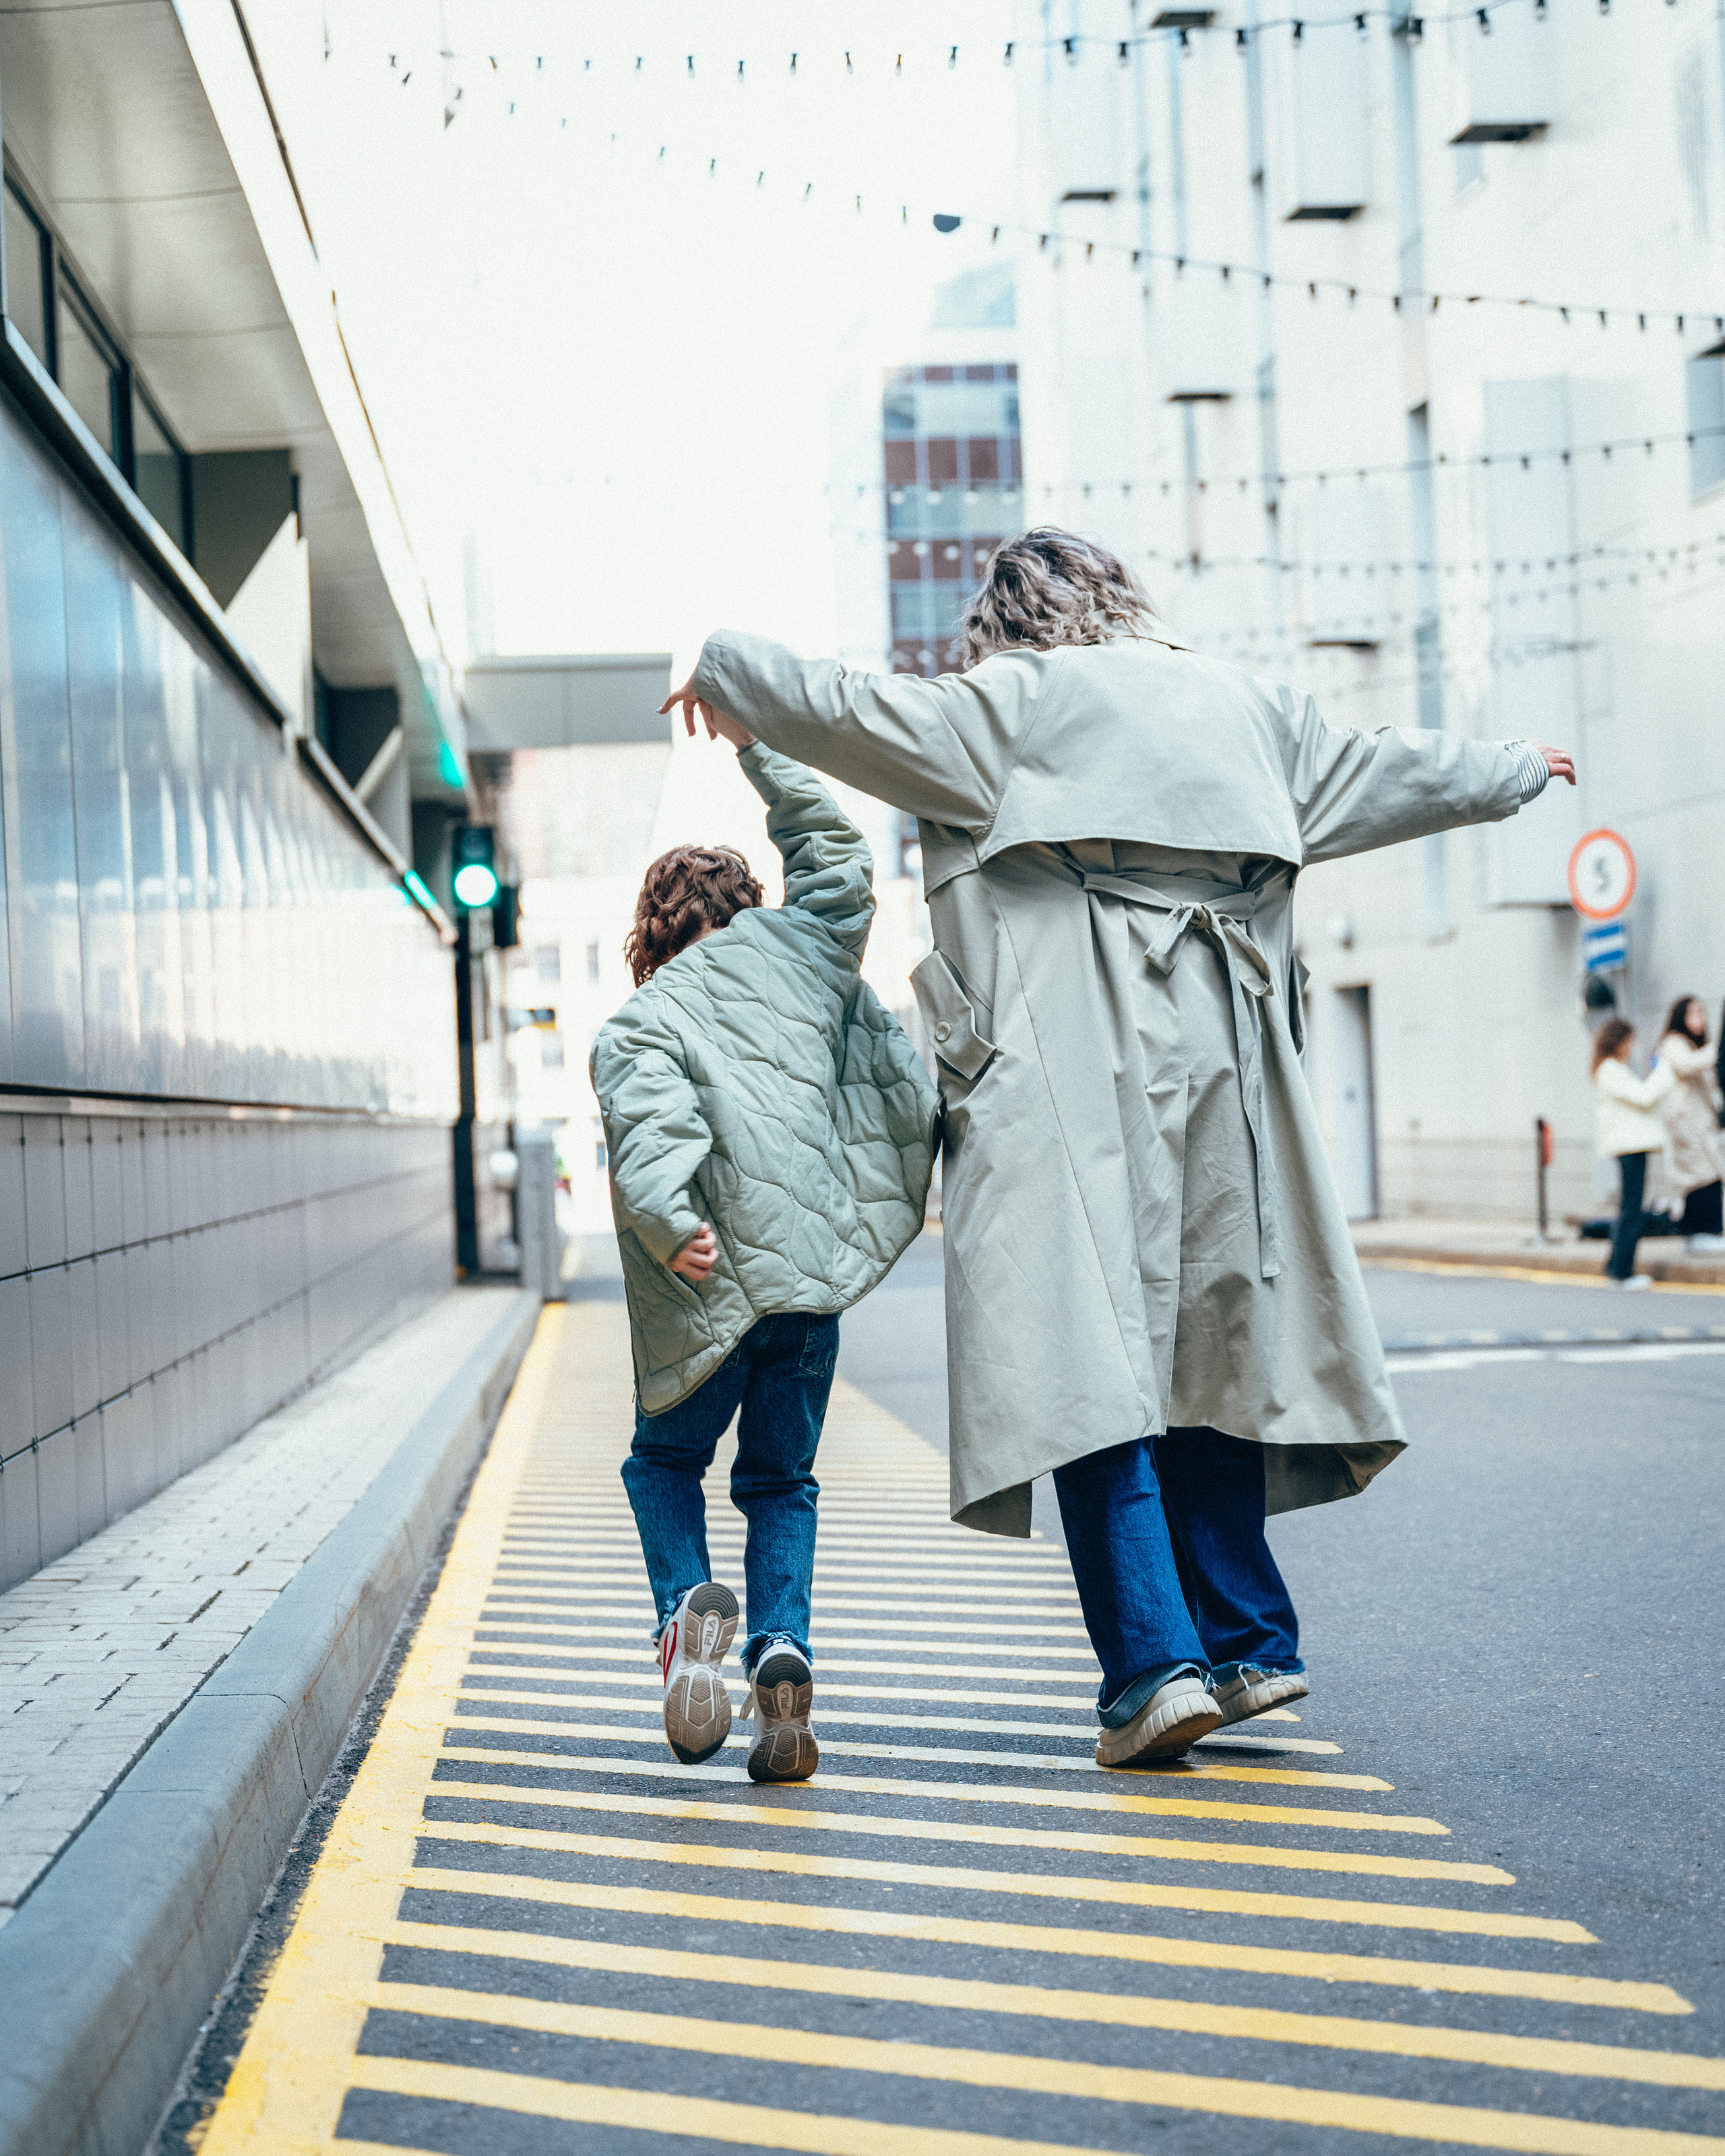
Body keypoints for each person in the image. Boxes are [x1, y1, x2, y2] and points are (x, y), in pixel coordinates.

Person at [662, 528, 1576, 1767]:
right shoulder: (1247, 705)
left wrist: (723, 668)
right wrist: (1518, 768)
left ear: (1005, 622)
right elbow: (1391, 771)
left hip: (1063, 1072)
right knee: (1209, 1345)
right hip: (1225, 1067)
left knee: (1080, 1364)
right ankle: (1249, 1644)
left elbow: (839, 707)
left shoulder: (1005, 710)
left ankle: (1154, 1669)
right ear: (1116, 602)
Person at [591, 750, 936, 1781]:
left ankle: (684, 1621)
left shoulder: (645, 1018)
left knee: (662, 1465)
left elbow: (654, 1137)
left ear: (655, 938)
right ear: (751, 909)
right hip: (805, 1295)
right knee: (782, 1480)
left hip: (709, 1294)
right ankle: (779, 1651)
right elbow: (837, 857)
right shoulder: (809, 958)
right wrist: (759, 739)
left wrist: (669, 1226)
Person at [1592, 1017, 1673, 1288]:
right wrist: (1663, 1071)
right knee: (1631, 1210)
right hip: (1629, 1147)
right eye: (1628, 1042)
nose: (1630, 1048)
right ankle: (1622, 1272)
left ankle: (1616, 1265)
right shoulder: (1611, 1070)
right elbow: (1644, 1097)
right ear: (1617, 1042)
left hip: (1630, 1146)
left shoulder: (1611, 1069)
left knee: (1629, 1208)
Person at [1653, 997, 1725, 1251]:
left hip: (1703, 1126)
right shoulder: (1673, 1043)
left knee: (1711, 1174)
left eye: (1703, 1012)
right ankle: (1699, 1235)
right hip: (1687, 1128)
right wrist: (1718, 1048)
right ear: (1681, 1016)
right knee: (1700, 1176)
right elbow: (1686, 1066)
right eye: (1693, 1013)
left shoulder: (1698, 1046)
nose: (1700, 1017)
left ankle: (1705, 1234)